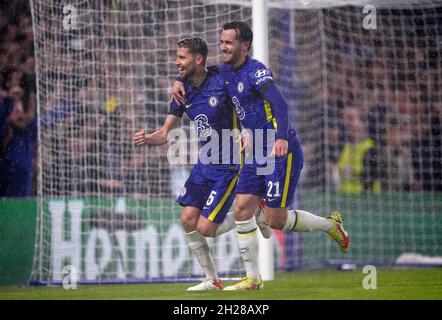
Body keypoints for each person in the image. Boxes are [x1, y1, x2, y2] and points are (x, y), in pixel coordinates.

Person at [173, 21, 349, 291]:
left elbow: (279, 103)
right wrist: (178, 79)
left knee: (276, 220)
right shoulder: (223, 72)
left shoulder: (256, 72)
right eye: (221, 42)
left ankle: (330, 226)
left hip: (280, 149)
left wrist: (279, 138)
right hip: (256, 150)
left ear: (245, 45)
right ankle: (253, 279)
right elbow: (196, 70)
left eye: (229, 43)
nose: (223, 47)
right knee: (243, 208)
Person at [134, 37, 269, 291]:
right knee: (187, 219)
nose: (177, 62)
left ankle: (253, 211)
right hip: (204, 162)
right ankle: (212, 280)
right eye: (177, 57)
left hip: (229, 162)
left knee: (206, 228)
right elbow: (165, 133)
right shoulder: (182, 91)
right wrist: (149, 138)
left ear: (198, 59)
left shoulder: (222, 79)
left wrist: (249, 132)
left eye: (182, 57)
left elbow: (245, 101)